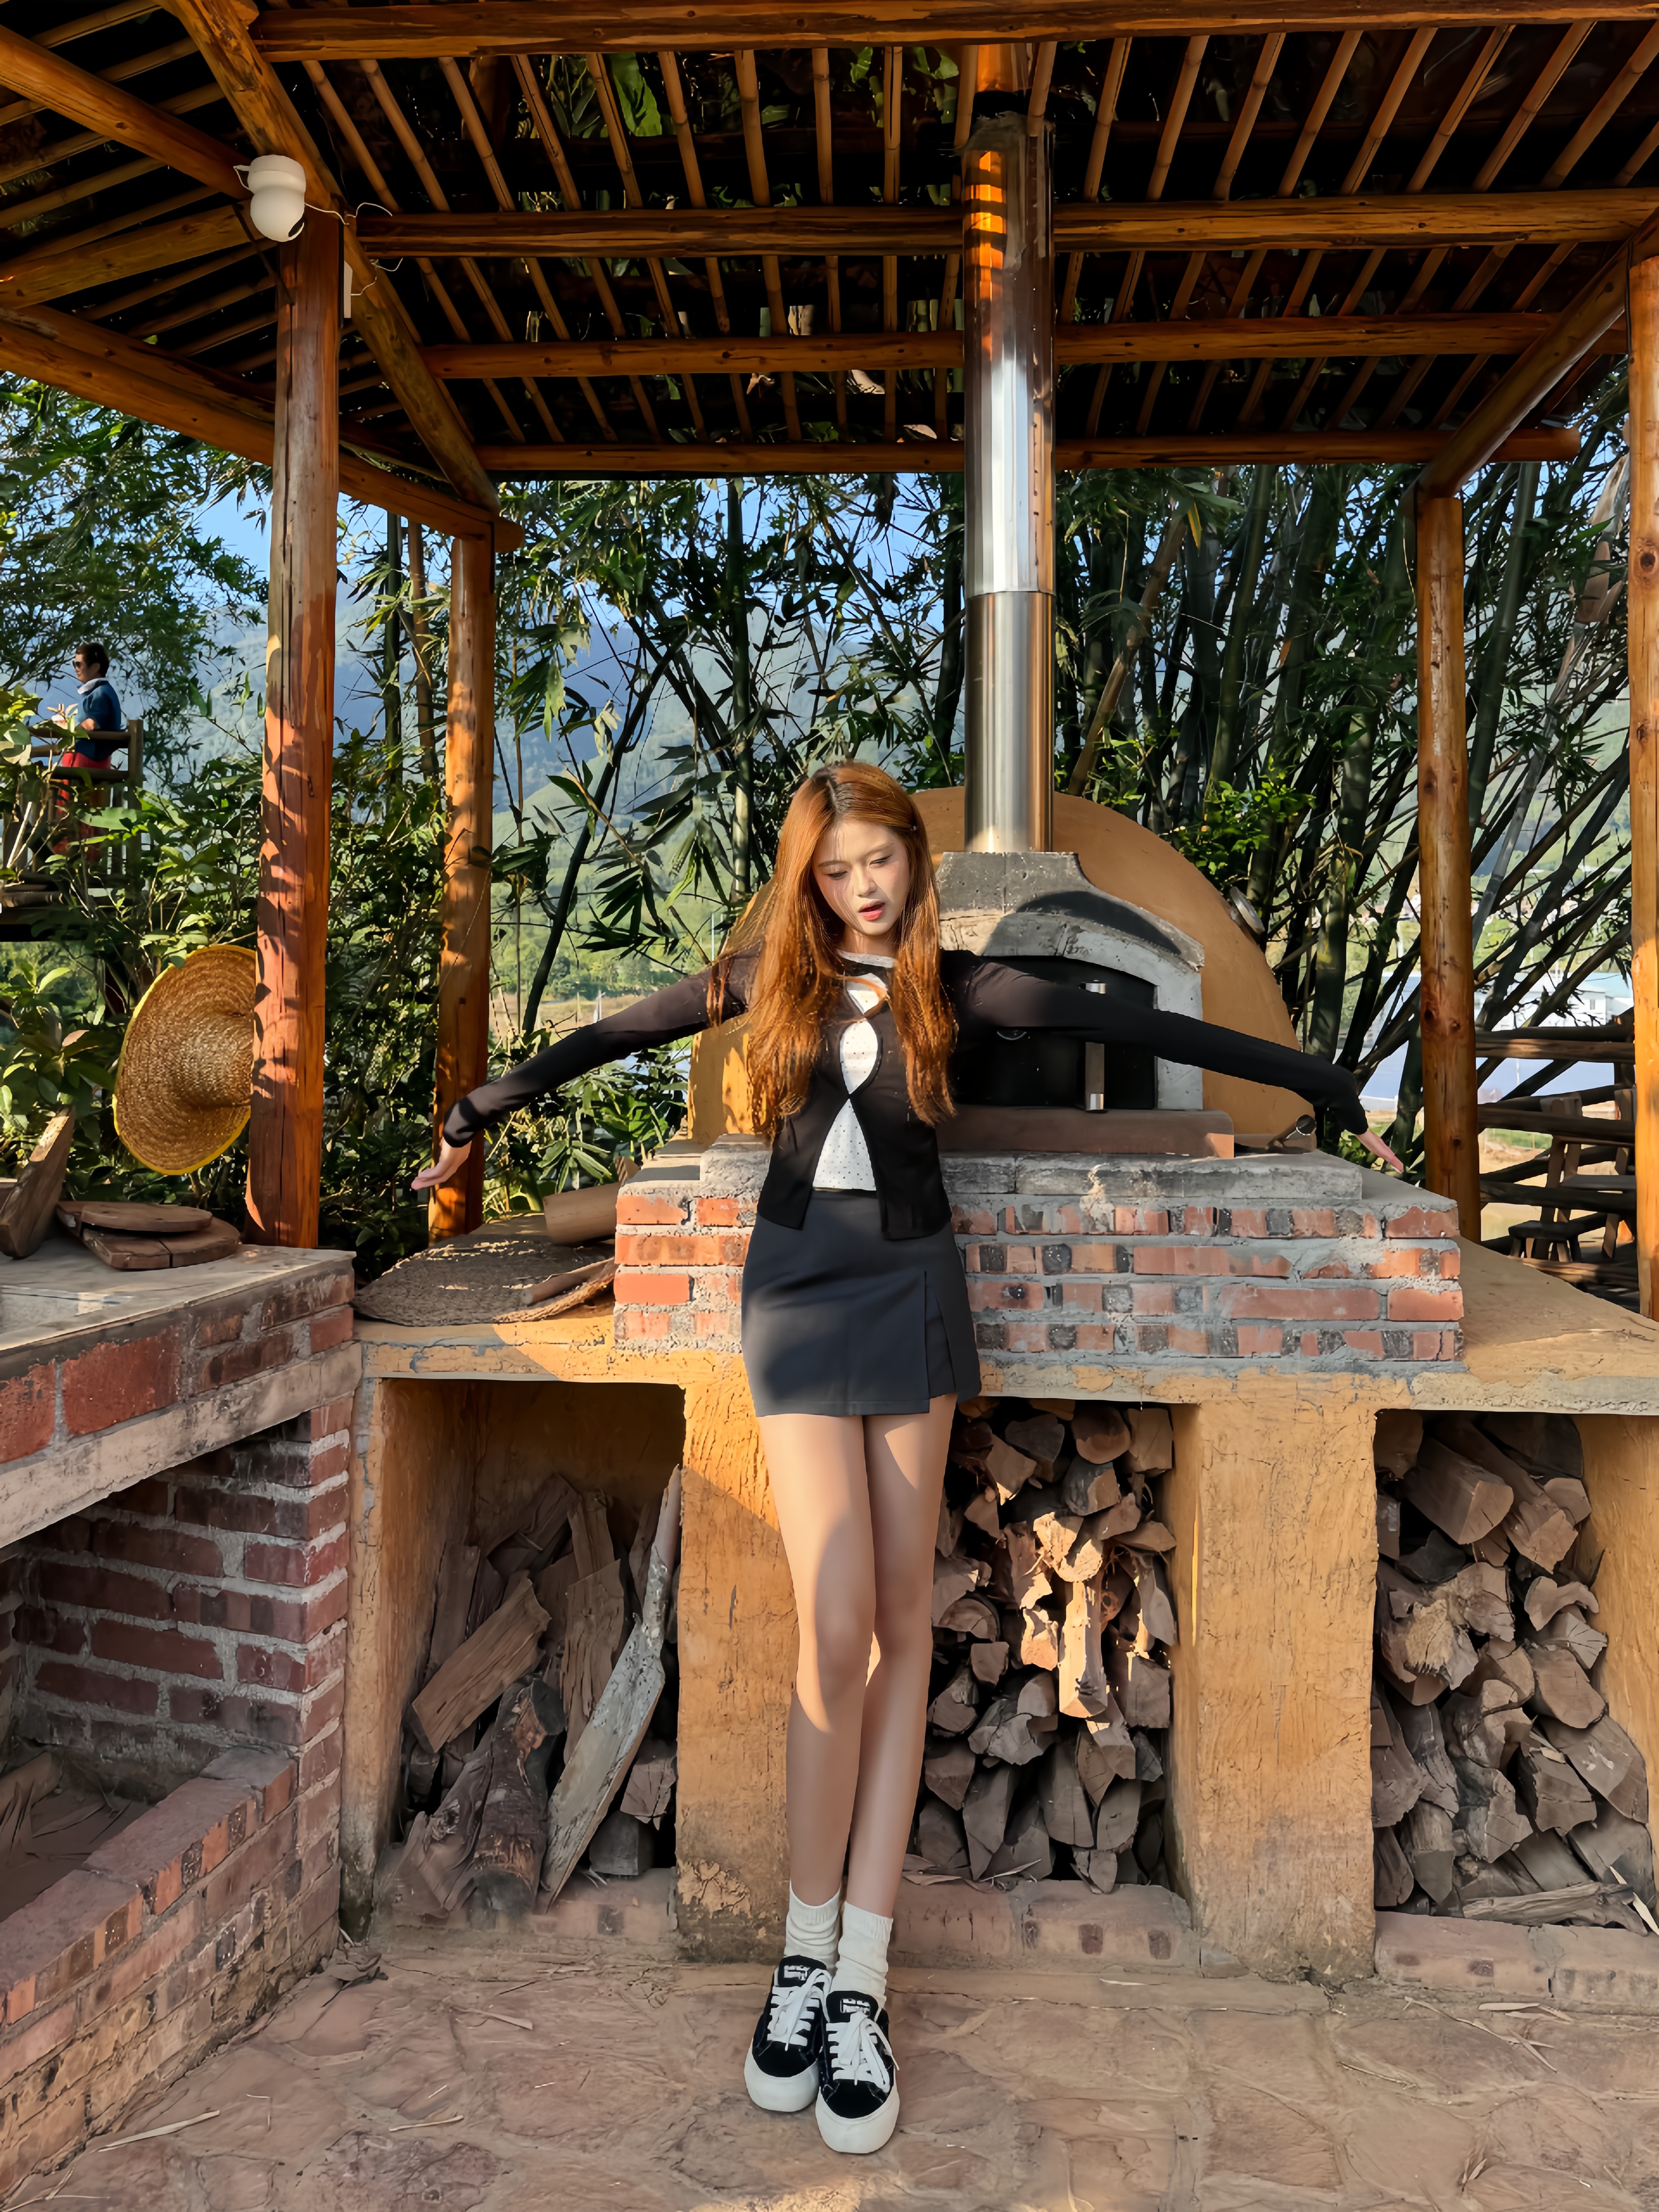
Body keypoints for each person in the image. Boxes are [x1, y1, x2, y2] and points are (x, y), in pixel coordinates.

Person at [413, 762, 1401, 2157]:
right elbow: (619, 1028)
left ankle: (859, 1983)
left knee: (896, 1626)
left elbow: (1151, 1024)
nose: (863, 886)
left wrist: (1324, 1082)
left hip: (917, 1296)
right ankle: (800, 1956)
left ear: (911, 861)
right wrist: (483, 1106)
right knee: (834, 1625)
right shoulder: (772, 981)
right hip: (798, 1298)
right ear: (809, 881)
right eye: (838, 869)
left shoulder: (963, 986)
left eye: (881, 860)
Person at [50, 642, 127, 772]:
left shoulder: (100, 693)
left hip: (87, 760)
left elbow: (92, 724)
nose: (76, 668)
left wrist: (67, 727)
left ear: (96, 667)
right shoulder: (99, 692)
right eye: (74, 664)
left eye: (79, 664)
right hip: (87, 759)